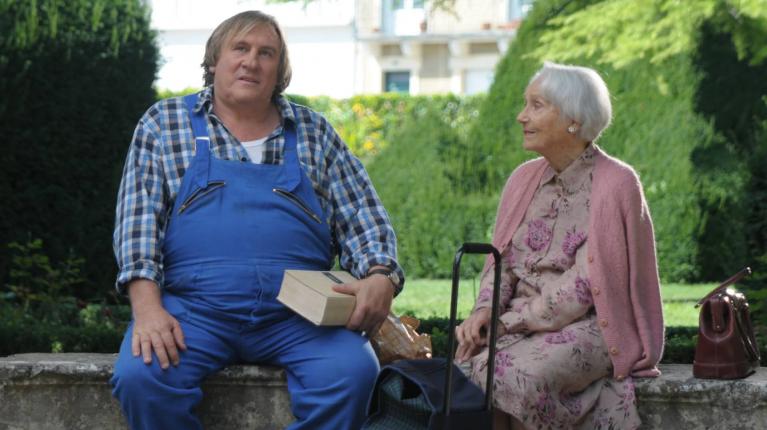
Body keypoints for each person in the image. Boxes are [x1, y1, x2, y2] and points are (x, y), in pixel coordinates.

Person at [109, 10, 404, 430]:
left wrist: (380, 275)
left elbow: (364, 215)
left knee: (353, 375)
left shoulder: (315, 132)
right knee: (142, 377)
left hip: (300, 315)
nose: (252, 61)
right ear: (214, 60)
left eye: (267, 53)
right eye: (241, 48)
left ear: (279, 71)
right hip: (194, 311)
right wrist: (147, 310)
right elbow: (136, 226)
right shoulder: (163, 124)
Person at [454, 62, 664, 429]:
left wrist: (506, 324)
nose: (521, 116)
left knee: (516, 375)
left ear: (573, 120)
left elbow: (582, 287)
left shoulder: (617, 183)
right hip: (519, 321)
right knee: (470, 368)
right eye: (526, 104)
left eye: (536, 105)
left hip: (591, 323)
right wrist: (485, 311)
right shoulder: (522, 179)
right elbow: (502, 261)